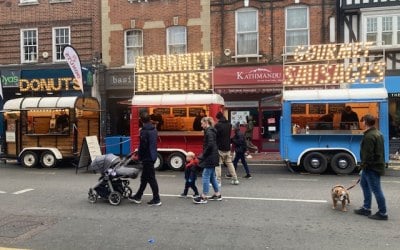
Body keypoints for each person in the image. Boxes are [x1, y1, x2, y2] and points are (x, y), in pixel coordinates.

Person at [354, 114, 388, 220]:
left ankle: (383, 213)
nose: (362, 122)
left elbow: (368, 155)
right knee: (364, 184)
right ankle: (366, 208)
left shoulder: (369, 136)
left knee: (376, 190)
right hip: (374, 165)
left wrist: (362, 167)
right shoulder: (378, 133)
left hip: (371, 167)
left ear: (365, 122)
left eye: (363, 121)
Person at [129, 112, 162, 206]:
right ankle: (138, 196)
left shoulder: (144, 131)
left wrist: (138, 155)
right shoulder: (154, 129)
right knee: (144, 178)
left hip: (147, 157)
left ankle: (157, 199)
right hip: (153, 155)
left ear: (141, 120)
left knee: (151, 179)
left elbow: (143, 146)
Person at [193, 117, 222, 204]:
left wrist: (202, 155)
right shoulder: (211, 131)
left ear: (206, 123)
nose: (201, 126)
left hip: (210, 157)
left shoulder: (209, 132)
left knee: (205, 175)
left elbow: (210, 145)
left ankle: (203, 196)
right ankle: (217, 194)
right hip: (212, 156)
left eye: (202, 123)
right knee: (212, 176)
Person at [214, 112, 240, 185]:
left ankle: (218, 181)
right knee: (229, 163)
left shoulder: (217, 125)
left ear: (218, 118)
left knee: (218, 164)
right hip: (227, 147)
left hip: (219, 147)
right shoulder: (229, 124)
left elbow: (216, 136)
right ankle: (235, 179)